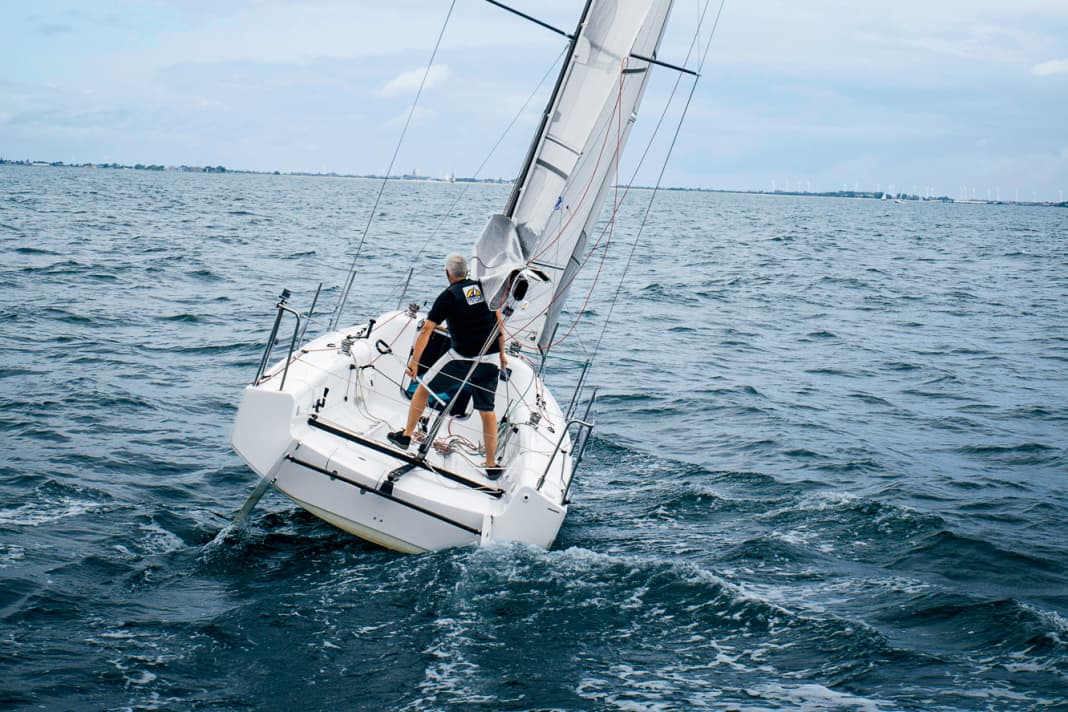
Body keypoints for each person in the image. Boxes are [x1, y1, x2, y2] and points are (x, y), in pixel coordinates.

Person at [388, 253, 508, 478]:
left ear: (447, 274)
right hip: (490, 358)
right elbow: (498, 323)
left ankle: (406, 435)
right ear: (467, 273)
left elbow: (426, 329)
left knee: (423, 389)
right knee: (487, 411)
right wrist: (502, 356)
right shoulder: (484, 288)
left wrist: (414, 363)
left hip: (461, 359)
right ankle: (491, 465)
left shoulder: (448, 296)